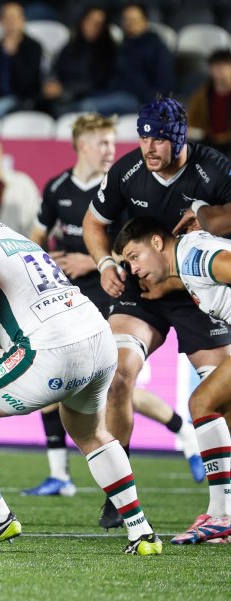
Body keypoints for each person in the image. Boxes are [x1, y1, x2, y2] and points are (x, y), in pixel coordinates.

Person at [0, 195, 162, 555]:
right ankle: (142, 533)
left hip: (49, 351)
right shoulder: (5, 235)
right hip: (96, 338)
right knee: (90, 433)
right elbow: (4, 339)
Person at [24, 113, 203, 496]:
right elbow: (34, 240)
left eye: (111, 142)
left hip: (112, 291)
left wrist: (94, 261)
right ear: (81, 146)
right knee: (61, 374)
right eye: (102, 142)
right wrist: (45, 269)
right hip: (66, 298)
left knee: (107, 381)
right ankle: (59, 474)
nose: (110, 150)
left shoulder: (122, 187)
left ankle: (181, 432)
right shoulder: (57, 188)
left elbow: (135, 245)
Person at [82, 95, 231, 529]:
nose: (149, 148)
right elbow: (95, 224)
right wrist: (108, 263)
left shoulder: (214, 170)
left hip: (198, 286)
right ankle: (119, 491)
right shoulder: (128, 171)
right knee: (115, 375)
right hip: (144, 283)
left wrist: (211, 217)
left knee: (217, 398)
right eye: (144, 137)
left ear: (180, 137)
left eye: (160, 140)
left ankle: (221, 507)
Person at [115, 217, 231, 544]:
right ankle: (223, 515)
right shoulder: (187, 261)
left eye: (134, 256)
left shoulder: (196, 257)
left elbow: (220, 265)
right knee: (222, 409)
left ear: (156, 242)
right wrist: (167, 287)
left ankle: (221, 514)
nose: (133, 269)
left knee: (203, 402)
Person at [71, 3, 173, 116]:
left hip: (137, 99)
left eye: (134, 20)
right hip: (113, 94)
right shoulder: (123, 47)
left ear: (145, 21)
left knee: (85, 107)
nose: (130, 24)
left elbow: (165, 83)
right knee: (79, 100)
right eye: (126, 20)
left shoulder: (157, 47)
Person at [39, 5, 116, 117]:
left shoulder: (108, 51)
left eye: (99, 24)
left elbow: (97, 83)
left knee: (85, 106)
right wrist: (52, 83)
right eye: (90, 21)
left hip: (91, 97)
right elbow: (56, 69)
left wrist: (64, 90)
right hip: (64, 96)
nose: (93, 27)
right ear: (82, 22)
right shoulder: (70, 47)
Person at [187, 49, 231, 158]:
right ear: (210, 69)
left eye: (224, 65)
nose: (220, 70)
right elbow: (192, 120)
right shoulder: (201, 95)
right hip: (207, 141)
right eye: (216, 66)